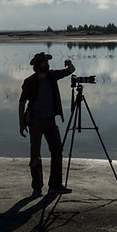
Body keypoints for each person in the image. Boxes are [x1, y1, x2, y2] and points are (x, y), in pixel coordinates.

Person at [19, 51, 76, 197]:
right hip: (35, 121)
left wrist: (69, 63)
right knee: (35, 155)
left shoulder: (52, 76)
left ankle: (55, 185)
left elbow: (70, 71)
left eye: (47, 62)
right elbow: (22, 102)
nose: (47, 64)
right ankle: (37, 187)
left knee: (57, 150)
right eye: (44, 62)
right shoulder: (29, 81)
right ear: (38, 65)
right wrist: (21, 123)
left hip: (50, 120)